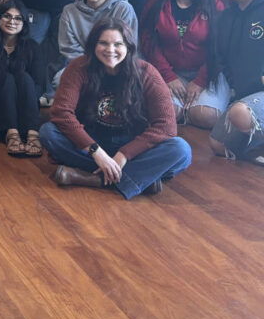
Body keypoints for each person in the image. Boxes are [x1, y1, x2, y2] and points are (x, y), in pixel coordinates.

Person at [39, 19, 192, 198]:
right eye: (103, 43)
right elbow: (61, 114)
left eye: (118, 44)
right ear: (93, 46)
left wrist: (124, 155)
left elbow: (166, 126)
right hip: (90, 139)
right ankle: (137, 179)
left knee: (181, 151)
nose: (110, 50)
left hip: (132, 143)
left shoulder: (147, 73)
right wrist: (96, 152)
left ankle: (91, 178)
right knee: (48, 133)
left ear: (129, 47)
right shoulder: (78, 68)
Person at [139, 0, 225, 128]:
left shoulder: (217, 5)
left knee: (206, 116)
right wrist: (169, 77)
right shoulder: (155, 3)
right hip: (169, 71)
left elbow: (221, 49)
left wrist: (201, 80)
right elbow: (149, 44)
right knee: (167, 112)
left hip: (209, 72)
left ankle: (191, 109)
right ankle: (184, 109)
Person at [52, 0, 138, 97]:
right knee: (60, 79)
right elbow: (69, 49)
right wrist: (93, 68)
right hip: (83, 64)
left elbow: (129, 44)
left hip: (117, 63)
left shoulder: (123, 8)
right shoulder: (69, 11)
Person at [209, 0, 264, 163]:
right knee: (219, 146)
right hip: (246, 93)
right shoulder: (225, 18)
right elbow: (222, 59)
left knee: (241, 113)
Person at [0, 0, 44, 157]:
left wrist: (25, 100)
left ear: (24, 23)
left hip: (26, 104)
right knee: (6, 79)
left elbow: (40, 84)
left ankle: (32, 133)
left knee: (24, 77)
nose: (12, 22)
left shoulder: (32, 46)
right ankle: (11, 133)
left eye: (18, 18)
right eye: (7, 16)